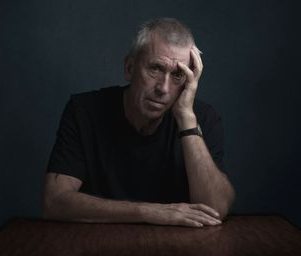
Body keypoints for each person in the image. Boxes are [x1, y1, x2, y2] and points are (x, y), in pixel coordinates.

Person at [43, 18, 235, 228]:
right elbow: (54, 202)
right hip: (98, 243)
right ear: (129, 68)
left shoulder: (202, 118)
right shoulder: (84, 111)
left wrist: (186, 119)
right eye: (155, 69)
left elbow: (215, 209)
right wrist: (150, 212)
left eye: (178, 75)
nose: (163, 87)